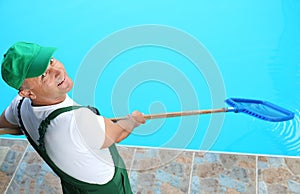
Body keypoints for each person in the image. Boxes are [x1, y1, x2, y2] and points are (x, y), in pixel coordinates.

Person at [0, 42, 146, 193]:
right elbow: (118, 134)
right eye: (44, 75)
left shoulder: (18, 106)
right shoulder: (77, 121)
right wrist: (132, 121)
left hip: (73, 187)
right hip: (107, 189)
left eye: (51, 61)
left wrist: (25, 127)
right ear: (28, 93)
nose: (57, 71)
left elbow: (4, 125)